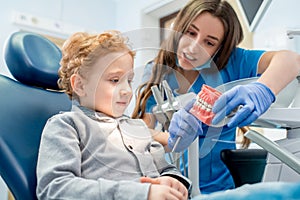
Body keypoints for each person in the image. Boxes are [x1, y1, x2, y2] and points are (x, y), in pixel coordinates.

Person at [132, 0, 300, 194]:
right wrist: (172, 139)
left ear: (220, 49)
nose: (193, 48)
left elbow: (291, 60)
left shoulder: (234, 63)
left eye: (209, 42)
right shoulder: (156, 70)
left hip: (219, 189)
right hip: (171, 184)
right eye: (190, 32)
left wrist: (263, 89)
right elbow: (143, 130)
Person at [36, 31, 195, 200]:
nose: (127, 90)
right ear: (80, 85)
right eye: (114, 80)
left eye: (129, 80)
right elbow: (54, 188)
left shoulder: (137, 127)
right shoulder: (67, 126)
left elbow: (165, 169)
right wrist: (142, 193)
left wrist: (173, 180)